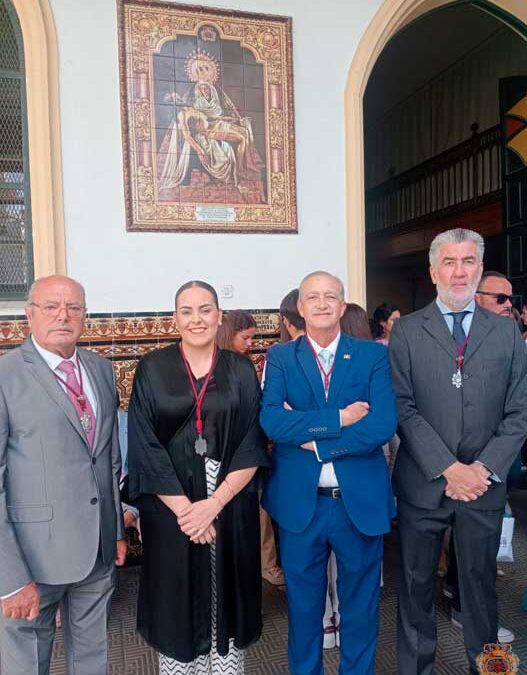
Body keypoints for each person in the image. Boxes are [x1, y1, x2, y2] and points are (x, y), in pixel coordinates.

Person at [390, 228, 527, 674]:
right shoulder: (407, 331)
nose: (459, 271)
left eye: (468, 261)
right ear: (433, 271)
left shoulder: (507, 335)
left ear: (480, 269)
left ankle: (491, 671)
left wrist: (480, 470)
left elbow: (519, 413)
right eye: (449, 262)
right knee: (414, 591)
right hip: (422, 485)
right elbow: (403, 409)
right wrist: (449, 468)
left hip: (483, 488)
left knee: (482, 591)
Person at [127, 280, 269, 675]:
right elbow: (144, 445)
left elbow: (250, 441)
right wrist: (189, 512)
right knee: (176, 599)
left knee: (229, 592)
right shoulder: (153, 367)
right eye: (186, 311)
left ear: (219, 316)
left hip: (228, 500)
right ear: (175, 319)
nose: (197, 319)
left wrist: (215, 504)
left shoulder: (240, 368)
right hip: (173, 506)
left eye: (205, 310)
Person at [261, 271, 397, 674]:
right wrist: (340, 418)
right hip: (302, 507)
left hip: (359, 505)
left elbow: (381, 425)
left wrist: (314, 439)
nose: (322, 304)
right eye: (312, 297)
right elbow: (271, 422)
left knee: (360, 608)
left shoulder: (372, 355)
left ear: (342, 305)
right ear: (300, 308)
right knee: (304, 612)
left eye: (330, 297)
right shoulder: (281, 358)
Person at [0, 275, 126, 675]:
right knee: (26, 665)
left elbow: (109, 458)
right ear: (29, 315)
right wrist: (9, 577)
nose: (63, 315)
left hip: (98, 550)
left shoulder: (101, 369)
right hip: (32, 559)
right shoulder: (6, 375)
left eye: (73, 307)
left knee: (92, 660)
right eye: (51, 306)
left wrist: (117, 530)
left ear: (85, 316)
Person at [216, 309, 284, 587]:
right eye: (245, 338)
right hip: (228, 456)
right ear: (229, 335)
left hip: (248, 454)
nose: (249, 344)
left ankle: (265, 565)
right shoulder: (223, 367)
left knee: (260, 514)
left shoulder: (243, 366)